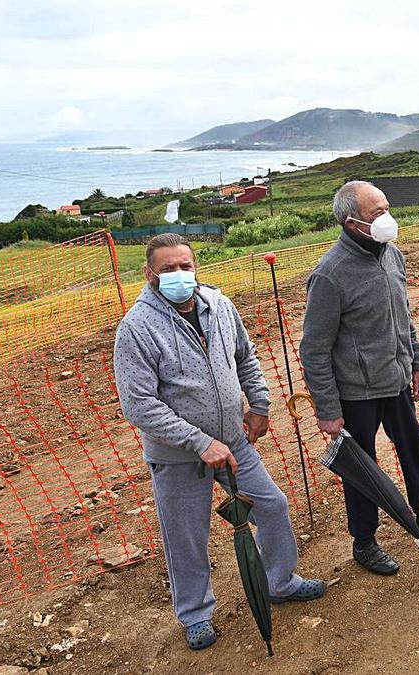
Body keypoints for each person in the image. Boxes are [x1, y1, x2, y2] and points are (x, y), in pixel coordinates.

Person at [113, 233, 325, 652]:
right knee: (187, 535)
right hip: (177, 457)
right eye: (168, 269)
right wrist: (197, 441)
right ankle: (195, 615)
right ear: (150, 273)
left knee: (272, 506)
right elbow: (138, 404)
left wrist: (259, 402)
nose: (179, 275)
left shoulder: (219, 306)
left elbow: (245, 356)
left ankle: (279, 582)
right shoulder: (136, 328)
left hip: (234, 442)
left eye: (185, 266)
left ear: (195, 266)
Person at [301, 181, 419, 576]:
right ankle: (365, 541)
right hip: (356, 394)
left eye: (387, 208)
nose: (388, 219)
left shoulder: (392, 255)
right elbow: (314, 349)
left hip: (396, 382)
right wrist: (327, 409)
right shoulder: (329, 275)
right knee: (363, 469)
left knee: (414, 446)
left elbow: (403, 317)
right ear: (352, 222)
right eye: (378, 213)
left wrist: (418, 363)